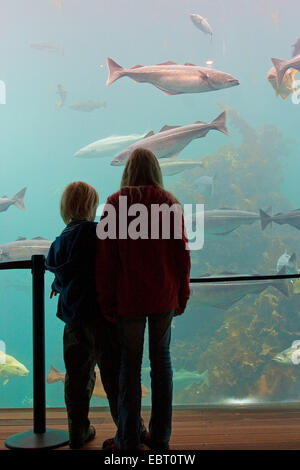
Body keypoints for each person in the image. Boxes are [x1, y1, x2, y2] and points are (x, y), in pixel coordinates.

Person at [95, 148, 191, 450]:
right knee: (161, 364)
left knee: (129, 366)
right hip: (164, 295)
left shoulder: (114, 204)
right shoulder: (169, 203)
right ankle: (160, 436)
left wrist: (106, 301)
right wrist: (182, 294)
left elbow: (105, 261)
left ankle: (128, 438)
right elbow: (181, 256)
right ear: (156, 170)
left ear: (127, 170)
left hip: (128, 298)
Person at [46, 181, 120, 449]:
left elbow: (60, 272)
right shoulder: (98, 233)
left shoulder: (58, 242)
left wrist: (57, 287)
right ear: (92, 207)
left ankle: (77, 431)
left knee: (77, 378)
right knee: (113, 375)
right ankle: (128, 429)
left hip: (73, 320)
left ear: (64, 208)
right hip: (101, 317)